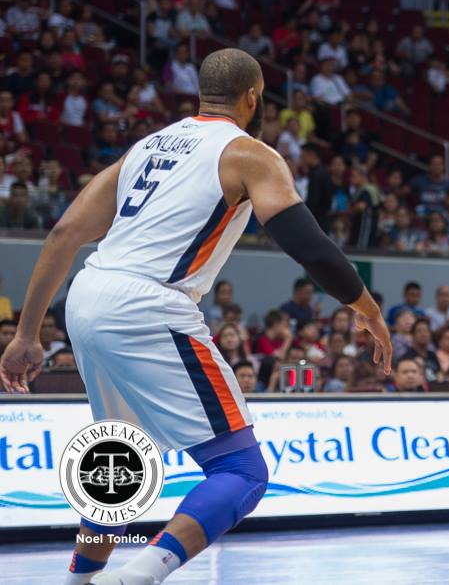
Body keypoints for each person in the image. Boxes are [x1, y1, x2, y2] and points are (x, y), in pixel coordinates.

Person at [0, 49, 393, 584]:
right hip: (148, 303)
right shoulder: (249, 154)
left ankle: (78, 580)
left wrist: (28, 332)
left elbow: (65, 234)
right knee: (242, 471)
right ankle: (130, 579)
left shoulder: (146, 147)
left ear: (201, 93)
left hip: (88, 295)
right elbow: (312, 247)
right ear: (253, 97)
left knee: (120, 462)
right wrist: (367, 308)